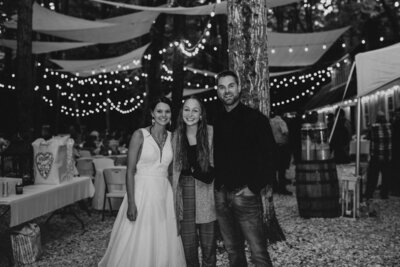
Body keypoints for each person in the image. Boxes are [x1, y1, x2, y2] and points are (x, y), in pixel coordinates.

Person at [99, 97, 186, 267]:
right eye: (159, 111)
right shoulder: (140, 135)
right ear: (152, 113)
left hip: (163, 194)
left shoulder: (173, 137)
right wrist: (131, 202)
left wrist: (176, 200)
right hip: (141, 192)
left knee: (163, 236)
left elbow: (171, 171)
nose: (163, 115)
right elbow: (130, 171)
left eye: (167, 111)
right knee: (138, 236)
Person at [214, 70, 275, 267]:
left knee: (258, 251)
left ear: (239, 88)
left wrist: (254, 187)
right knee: (233, 250)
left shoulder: (256, 119)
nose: (227, 91)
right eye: (222, 87)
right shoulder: (215, 121)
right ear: (218, 92)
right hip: (222, 196)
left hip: (246, 196)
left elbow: (271, 157)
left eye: (231, 86)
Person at [172, 96, 216, 267]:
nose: (190, 114)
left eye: (195, 110)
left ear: (201, 115)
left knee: (208, 245)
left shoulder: (211, 133)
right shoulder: (175, 137)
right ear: (182, 112)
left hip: (206, 190)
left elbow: (218, 165)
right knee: (188, 246)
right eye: (186, 109)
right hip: (184, 194)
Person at [364, 111, 392, 200]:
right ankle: (384, 194)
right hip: (387, 155)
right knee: (386, 176)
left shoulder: (373, 128)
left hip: (376, 155)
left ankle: (369, 193)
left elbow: (367, 137)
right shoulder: (390, 126)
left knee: (372, 176)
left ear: (377, 119)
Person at [270, 112, 292, 195]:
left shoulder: (269, 121)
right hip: (282, 147)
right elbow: (285, 132)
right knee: (282, 169)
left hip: (272, 147)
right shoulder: (280, 121)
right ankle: (282, 188)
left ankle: (274, 187)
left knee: (273, 168)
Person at [392, 108, 400, 196]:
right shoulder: (395, 122)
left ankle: (396, 190)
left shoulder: (396, 123)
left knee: (396, 170)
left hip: (396, 149)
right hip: (395, 149)